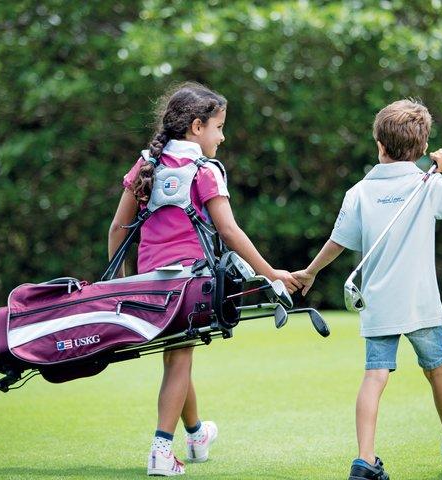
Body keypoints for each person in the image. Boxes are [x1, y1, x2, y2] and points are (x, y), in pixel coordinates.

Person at [292, 99, 442, 480]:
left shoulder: (360, 192)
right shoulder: (428, 185)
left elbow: (337, 242)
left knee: (375, 376)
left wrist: (311, 271)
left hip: (379, 303)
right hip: (419, 303)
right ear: (422, 147)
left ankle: (365, 459)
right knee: (437, 371)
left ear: (379, 145)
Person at [108, 82, 301, 476]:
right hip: (191, 285)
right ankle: (161, 451)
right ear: (197, 127)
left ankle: (196, 436)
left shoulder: (146, 165)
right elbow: (229, 231)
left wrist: (121, 286)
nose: (222, 136)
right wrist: (270, 273)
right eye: (219, 127)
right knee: (179, 360)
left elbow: (117, 229)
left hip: (149, 287)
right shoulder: (205, 171)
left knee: (177, 355)